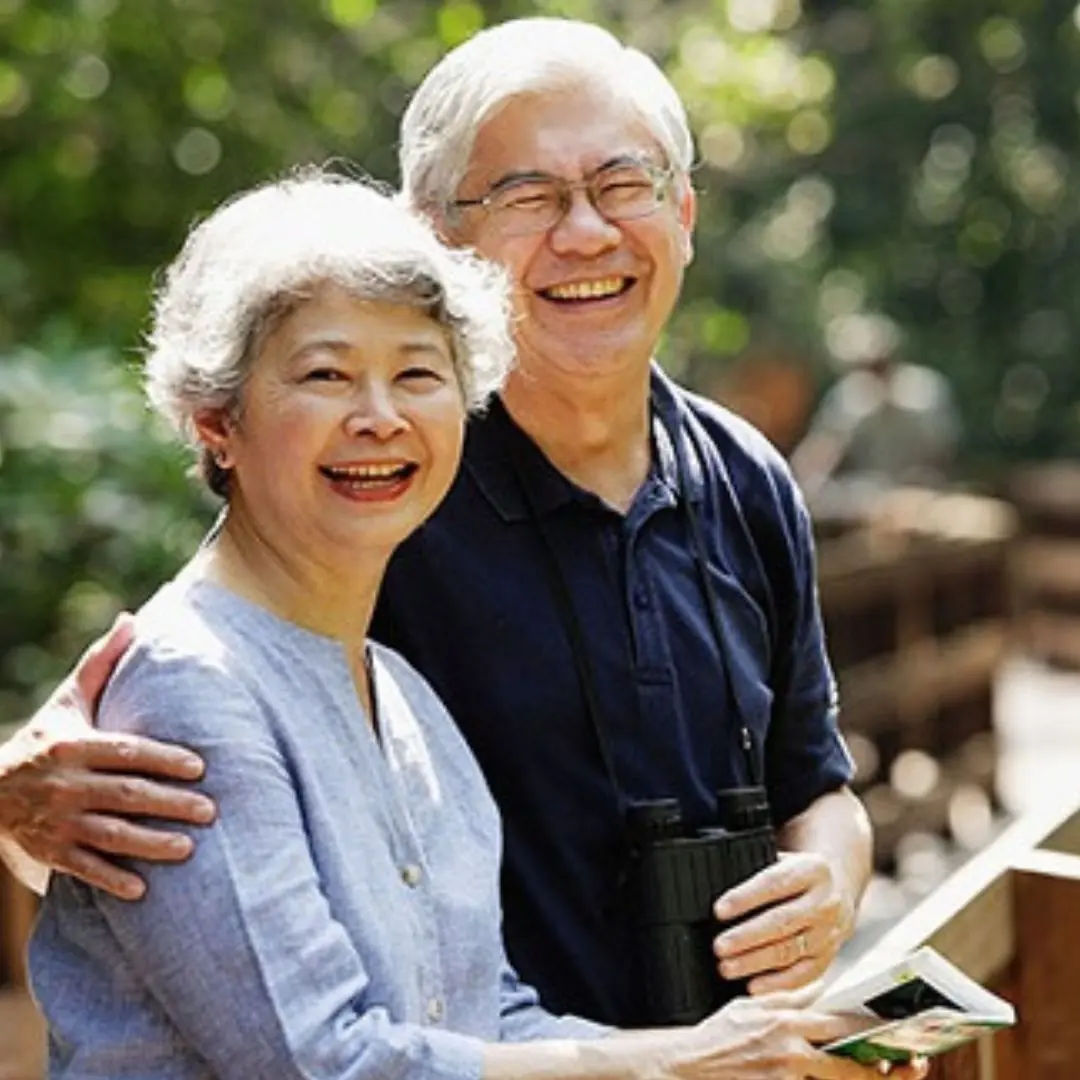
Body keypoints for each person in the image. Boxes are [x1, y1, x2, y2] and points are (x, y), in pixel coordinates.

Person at [3, 17, 873, 1030]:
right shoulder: (381, 476)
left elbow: (820, 782)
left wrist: (832, 885)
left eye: (623, 184)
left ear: (683, 211)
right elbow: (187, 700)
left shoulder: (746, 478)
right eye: (526, 195)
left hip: (685, 1051)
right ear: (432, 237)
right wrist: (11, 789)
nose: (585, 231)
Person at [791, 313, 961, 505]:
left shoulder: (926, 391)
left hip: (919, 492)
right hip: (867, 494)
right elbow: (821, 449)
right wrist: (805, 482)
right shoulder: (848, 396)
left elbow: (942, 454)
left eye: (879, 363)